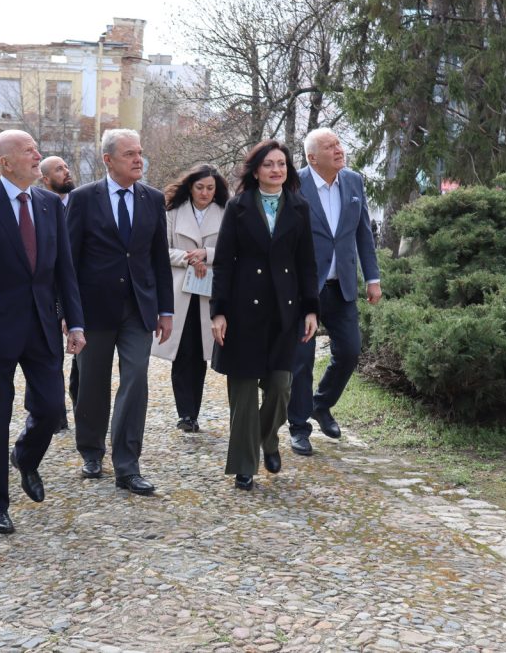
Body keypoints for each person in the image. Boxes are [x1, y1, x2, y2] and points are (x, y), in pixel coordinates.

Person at [0, 130, 85, 534]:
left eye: (36, 149)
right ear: (6, 162)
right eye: (29, 151)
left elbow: (65, 270)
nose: (38, 156)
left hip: (42, 326)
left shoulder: (49, 204)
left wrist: (75, 321)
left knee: (50, 409)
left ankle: (25, 457)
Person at [66, 129, 173, 496]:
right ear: (108, 160)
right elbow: (68, 261)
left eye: (139, 152)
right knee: (91, 382)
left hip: (138, 308)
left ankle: (127, 465)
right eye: (129, 154)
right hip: (93, 309)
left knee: (136, 379)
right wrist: (68, 313)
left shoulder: (153, 199)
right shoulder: (82, 199)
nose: (138, 159)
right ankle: (91, 451)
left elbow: (159, 258)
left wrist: (166, 309)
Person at [210, 139, 319, 490]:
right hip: (242, 312)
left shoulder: (299, 207)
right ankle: (244, 465)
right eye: (269, 164)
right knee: (243, 394)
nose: (276, 169)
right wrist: (218, 312)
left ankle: (268, 439)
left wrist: (311, 309)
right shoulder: (238, 206)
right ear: (256, 171)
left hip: (284, 313)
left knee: (281, 387)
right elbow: (223, 263)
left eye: (282, 164)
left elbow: (307, 263)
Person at [287, 128, 381, 456]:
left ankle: (321, 403)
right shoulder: (293, 184)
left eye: (339, 143)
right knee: (302, 360)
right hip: (304, 289)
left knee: (351, 351)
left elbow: (363, 232)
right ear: (312, 158)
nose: (339, 149)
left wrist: (372, 278)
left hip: (341, 286)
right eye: (330, 146)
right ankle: (299, 427)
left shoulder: (353, 182)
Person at [152, 164, 229, 433]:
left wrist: (207, 253)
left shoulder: (225, 212)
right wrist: (187, 257)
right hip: (180, 289)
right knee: (182, 351)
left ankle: (193, 410)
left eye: (210, 188)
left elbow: (234, 249)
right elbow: (160, 249)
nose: (205, 193)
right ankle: (185, 413)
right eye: (200, 187)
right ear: (190, 187)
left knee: (200, 353)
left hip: (210, 289)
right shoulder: (173, 212)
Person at [24, 155, 79, 435]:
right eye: (59, 169)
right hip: (44, 294)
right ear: (45, 179)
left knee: (72, 358)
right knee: (45, 357)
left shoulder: (80, 203)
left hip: (73, 290)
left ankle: (74, 407)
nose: (66, 172)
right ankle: (50, 414)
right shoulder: (37, 207)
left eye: (66, 167)